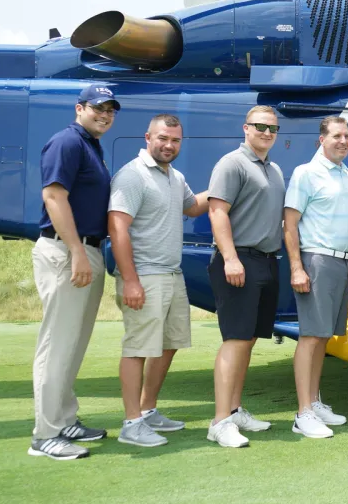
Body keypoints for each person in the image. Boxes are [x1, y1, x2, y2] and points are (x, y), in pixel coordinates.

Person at [28, 84, 119, 460]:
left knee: (73, 343)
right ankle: (45, 435)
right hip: (67, 250)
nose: (105, 114)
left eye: (111, 110)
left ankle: (64, 418)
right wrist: (78, 251)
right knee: (57, 344)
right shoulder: (67, 142)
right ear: (80, 108)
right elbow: (53, 196)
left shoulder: (89, 145)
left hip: (84, 249)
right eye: (98, 108)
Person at [108, 114, 209, 447]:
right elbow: (117, 228)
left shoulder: (174, 176)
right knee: (138, 349)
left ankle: (148, 410)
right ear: (148, 136)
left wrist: (226, 184)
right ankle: (131, 422)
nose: (169, 145)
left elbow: (193, 208)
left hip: (171, 274)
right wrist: (131, 281)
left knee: (168, 345)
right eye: (163, 138)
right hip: (145, 276)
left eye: (175, 140)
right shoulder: (132, 175)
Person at [205, 105, 286, 448]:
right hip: (239, 260)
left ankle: (234, 410)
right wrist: (230, 258)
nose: (267, 133)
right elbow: (216, 210)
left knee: (249, 341)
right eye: (260, 126)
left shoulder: (275, 169)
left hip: (267, 261)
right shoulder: (232, 163)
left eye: (272, 129)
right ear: (246, 128)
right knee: (235, 340)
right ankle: (220, 421)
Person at [283, 116, 348, 439]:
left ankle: (314, 402)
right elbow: (289, 225)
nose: (343, 141)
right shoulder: (306, 173)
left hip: (342, 263)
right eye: (336, 136)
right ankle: (302, 413)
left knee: (324, 339)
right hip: (316, 260)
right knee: (311, 337)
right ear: (321, 140)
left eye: (346, 136)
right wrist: (297, 268)